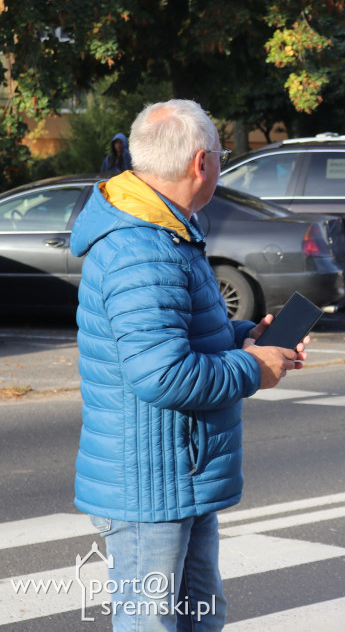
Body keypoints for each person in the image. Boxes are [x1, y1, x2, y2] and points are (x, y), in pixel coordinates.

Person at [71, 99, 306, 630]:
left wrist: (248, 339)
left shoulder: (165, 228)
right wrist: (253, 370)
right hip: (151, 484)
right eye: (221, 155)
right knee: (151, 621)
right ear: (202, 163)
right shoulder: (141, 246)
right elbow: (162, 374)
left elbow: (182, 337)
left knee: (200, 617)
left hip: (180, 472)